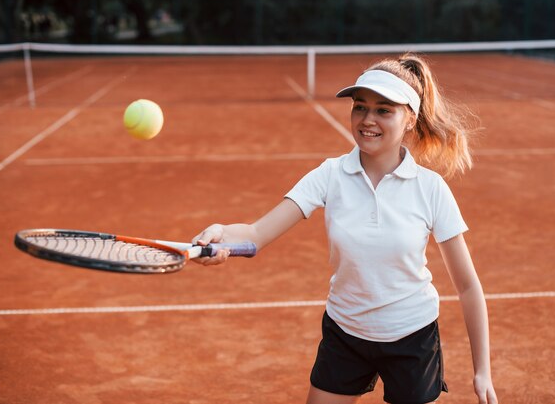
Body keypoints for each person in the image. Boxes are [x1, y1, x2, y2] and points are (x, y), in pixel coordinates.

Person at [192, 54, 498, 404]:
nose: (367, 120)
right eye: (360, 107)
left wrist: (482, 370)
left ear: (410, 118)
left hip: (412, 335)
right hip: (346, 332)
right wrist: (220, 234)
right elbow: (257, 233)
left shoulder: (430, 188)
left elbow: (467, 285)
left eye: (384, 110)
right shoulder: (330, 174)